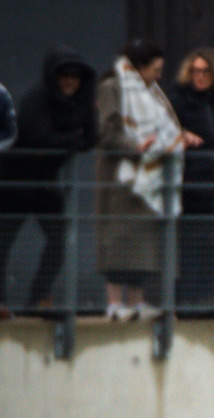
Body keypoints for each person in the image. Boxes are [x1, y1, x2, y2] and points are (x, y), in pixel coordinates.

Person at [95, 39, 190, 321]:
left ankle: (137, 303)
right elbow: (108, 131)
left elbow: (165, 125)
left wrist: (178, 139)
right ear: (138, 67)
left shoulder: (153, 91)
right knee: (117, 241)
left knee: (143, 246)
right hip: (122, 178)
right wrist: (135, 147)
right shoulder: (112, 87)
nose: (158, 76)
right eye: (155, 69)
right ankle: (114, 304)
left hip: (150, 177)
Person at [0, 46, 97, 315]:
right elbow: (37, 137)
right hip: (14, 182)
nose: (69, 81)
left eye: (74, 77)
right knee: (3, 242)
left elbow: (91, 137)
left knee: (59, 240)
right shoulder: (36, 98)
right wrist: (72, 137)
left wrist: (60, 140)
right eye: (64, 76)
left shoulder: (81, 101)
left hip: (46, 184)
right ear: (54, 78)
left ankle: (38, 298)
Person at [169, 47, 214, 310]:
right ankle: (188, 299)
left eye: (206, 71)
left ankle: (208, 299)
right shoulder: (178, 101)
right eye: (195, 71)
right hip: (190, 184)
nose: (200, 76)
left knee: (212, 244)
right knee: (189, 244)